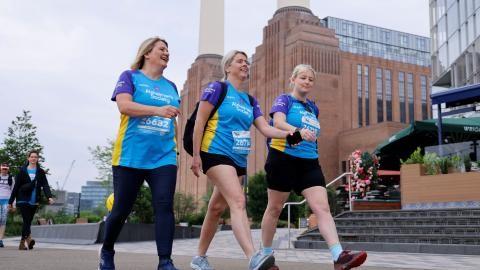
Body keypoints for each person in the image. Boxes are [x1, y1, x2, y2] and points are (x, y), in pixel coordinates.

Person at [190, 50, 310, 270]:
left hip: (238, 159)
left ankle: (199, 257)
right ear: (228, 67)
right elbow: (200, 121)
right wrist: (196, 155)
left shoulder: (249, 100)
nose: (245, 64)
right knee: (238, 201)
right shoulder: (218, 88)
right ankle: (253, 257)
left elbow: (265, 128)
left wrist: (293, 133)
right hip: (215, 152)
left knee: (216, 208)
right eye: (240, 61)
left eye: (247, 61)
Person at [260, 64, 367, 270]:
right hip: (282, 158)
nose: (307, 81)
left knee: (322, 208)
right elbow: (278, 122)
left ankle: (339, 256)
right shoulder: (284, 100)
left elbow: (313, 135)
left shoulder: (313, 108)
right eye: (303, 78)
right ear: (293, 79)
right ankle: (265, 257)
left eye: (310, 79)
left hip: (309, 163)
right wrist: (297, 131)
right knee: (274, 208)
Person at [99, 36, 181, 270]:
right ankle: (107, 250)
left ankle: (165, 261)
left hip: (163, 157)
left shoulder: (172, 87)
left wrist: (177, 152)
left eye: (168, 50)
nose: (167, 53)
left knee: (164, 205)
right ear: (147, 53)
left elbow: (172, 119)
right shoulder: (130, 77)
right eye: (162, 49)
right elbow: (124, 106)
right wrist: (157, 110)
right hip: (131, 155)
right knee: (121, 208)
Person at [8, 150, 55, 250]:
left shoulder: (40, 172)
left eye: (35, 157)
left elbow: (45, 185)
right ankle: (22, 242)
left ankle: (27, 241)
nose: (33, 158)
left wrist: (49, 197)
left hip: (34, 200)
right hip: (23, 199)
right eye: (32, 157)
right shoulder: (22, 171)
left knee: (28, 222)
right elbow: (16, 187)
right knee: (27, 220)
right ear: (28, 158)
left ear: (37, 159)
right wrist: (11, 201)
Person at [0, 163, 14, 248]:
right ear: (0, 169)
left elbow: (13, 191)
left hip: (7, 201)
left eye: (6, 169)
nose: (4, 170)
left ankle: (0, 240)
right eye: (3, 168)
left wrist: (13, 204)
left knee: (3, 220)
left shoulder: (11, 178)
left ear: (8, 169)